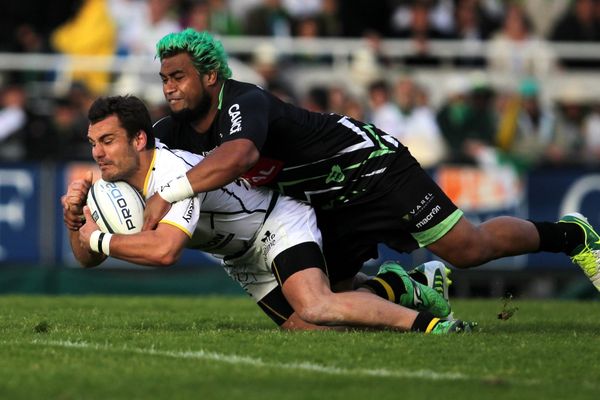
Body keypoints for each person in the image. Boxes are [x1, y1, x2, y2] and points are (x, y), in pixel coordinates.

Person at [146, 29, 600, 293]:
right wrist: (89, 199)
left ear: (210, 76)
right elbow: (137, 154)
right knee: (329, 294)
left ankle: (570, 235)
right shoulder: (173, 128)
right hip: (324, 200)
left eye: (179, 77)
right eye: (164, 78)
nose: (169, 87)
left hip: (371, 167)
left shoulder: (243, 99)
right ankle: (413, 288)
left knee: (468, 249)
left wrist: (168, 194)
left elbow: (239, 154)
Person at [63, 95, 473, 334]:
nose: (97, 152)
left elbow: (166, 251)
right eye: (93, 142)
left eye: (108, 140)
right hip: (239, 256)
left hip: (275, 221)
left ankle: (437, 328)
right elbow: (87, 259)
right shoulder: (108, 187)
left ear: (138, 139)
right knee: (313, 330)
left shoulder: (172, 172)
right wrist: (75, 222)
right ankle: (399, 285)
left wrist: (97, 237)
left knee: (315, 305)